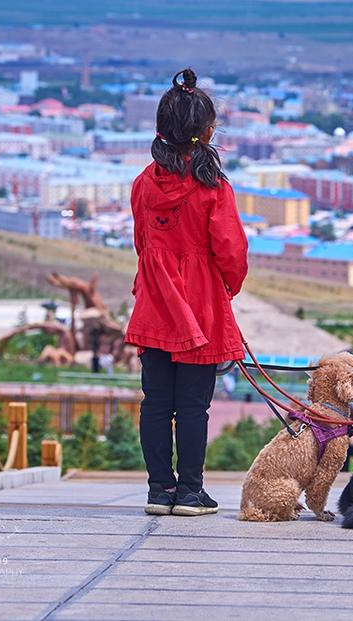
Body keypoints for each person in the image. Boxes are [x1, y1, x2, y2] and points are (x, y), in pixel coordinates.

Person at [125, 68, 248, 517]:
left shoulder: (143, 184)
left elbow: (143, 243)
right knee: (194, 407)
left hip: (155, 304)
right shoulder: (214, 188)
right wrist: (226, 288)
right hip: (200, 305)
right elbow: (232, 252)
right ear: (207, 131)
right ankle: (191, 492)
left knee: (156, 403)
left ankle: (160, 491)